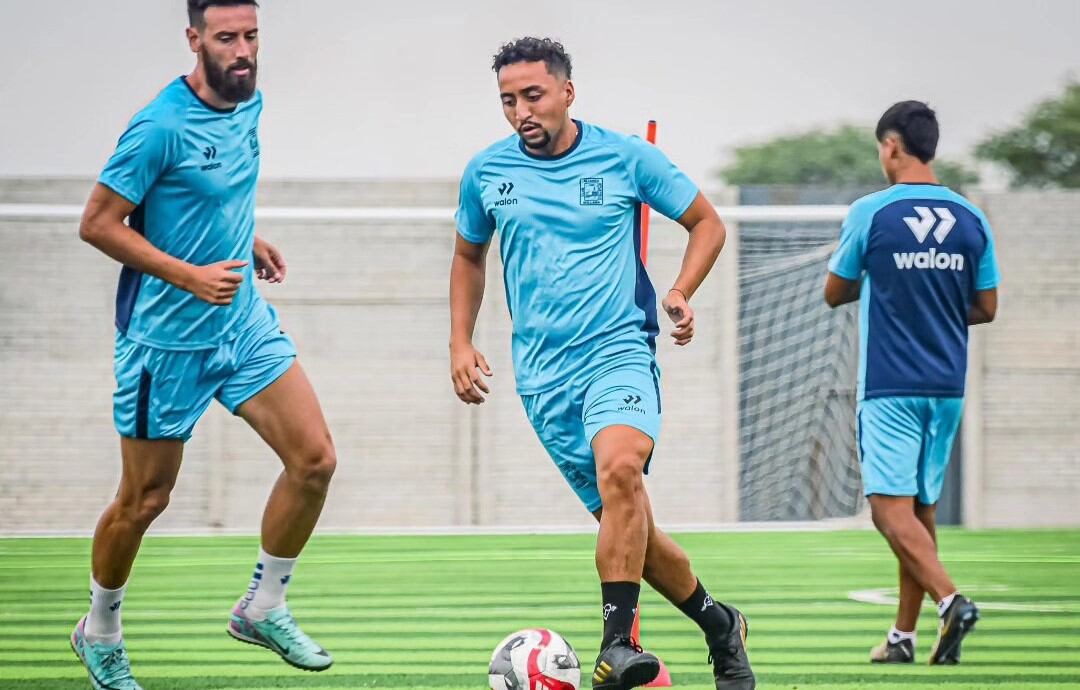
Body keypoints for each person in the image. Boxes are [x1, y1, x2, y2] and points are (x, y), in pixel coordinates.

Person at [449, 37, 756, 690]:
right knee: (630, 527)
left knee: (622, 470)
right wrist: (460, 341)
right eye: (508, 101)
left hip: (619, 353)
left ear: (567, 91)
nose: (521, 111)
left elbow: (707, 222)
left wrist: (678, 291)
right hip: (542, 378)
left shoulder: (626, 157)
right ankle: (719, 624)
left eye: (533, 95)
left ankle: (616, 647)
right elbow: (469, 255)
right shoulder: (486, 172)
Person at [71, 2, 337, 687]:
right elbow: (99, 224)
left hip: (241, 325)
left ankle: (263, 606)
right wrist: (190, 274)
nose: (243, 50)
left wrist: (243, 239)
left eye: (251, 36)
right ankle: (99, 628)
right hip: (166, 345)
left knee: (314, 461)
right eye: (227, 38)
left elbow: (203, 195)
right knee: (144, 501)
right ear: (195, 40)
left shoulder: (249, 104)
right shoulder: (158, 127)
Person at [825, 100, 1000, 665]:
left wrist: (893, 285)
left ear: (892, 146)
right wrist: (934, 302)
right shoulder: (972, 218)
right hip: (947, 384)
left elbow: (836, 289)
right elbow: (987, 306)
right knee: (920, 512)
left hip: (890, 383)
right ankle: (903, 638)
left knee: (886, 509)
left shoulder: (872, 212)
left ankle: (951, 601)